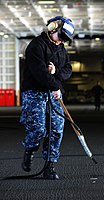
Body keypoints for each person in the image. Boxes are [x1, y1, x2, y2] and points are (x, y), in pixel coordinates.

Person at [19, 16, 75, 180]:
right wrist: (55, 86)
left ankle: (49, 166)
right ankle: (29, 150)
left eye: (65, 39)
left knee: (56, 129)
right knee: (37, 128)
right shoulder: (36, 46)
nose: (62, 41)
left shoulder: (61, 48)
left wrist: (56, 71)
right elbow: (40, 73)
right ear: (52, 28)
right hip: (35, 91)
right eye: (61, 36)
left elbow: (68, 69)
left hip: (54, 92)